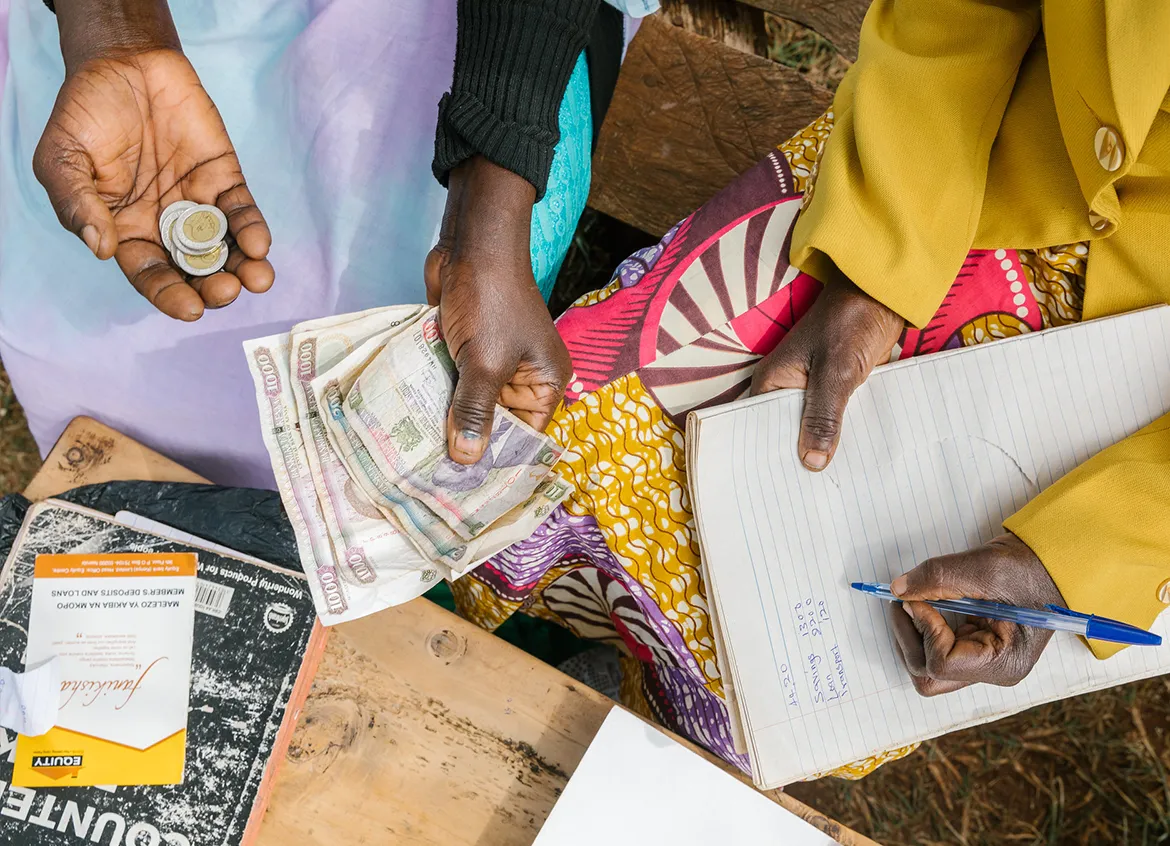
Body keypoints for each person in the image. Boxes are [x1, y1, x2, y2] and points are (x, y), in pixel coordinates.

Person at [450, 0, 1170, 779]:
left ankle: (617, 715)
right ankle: (520, 652)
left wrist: (1071, 562)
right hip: (953, 159)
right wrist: (876, 269)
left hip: (1140, 400)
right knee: (550, 447)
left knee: (779, 683)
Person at [0, 0, 627, 485]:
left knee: (391, 359)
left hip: (486, 42)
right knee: (68, 328)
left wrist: (482, 214)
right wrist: (118, 32)